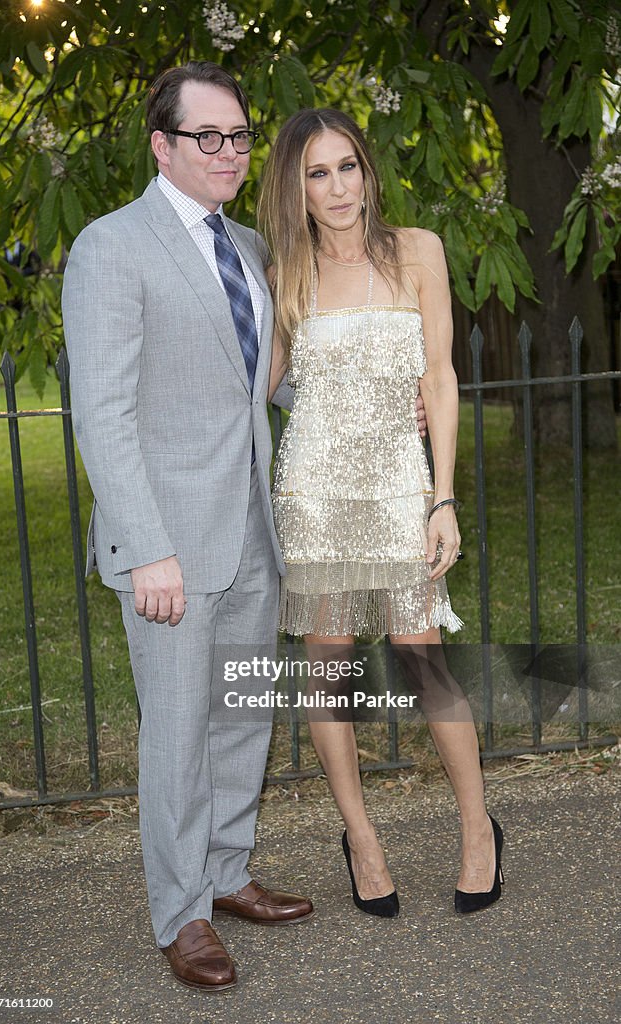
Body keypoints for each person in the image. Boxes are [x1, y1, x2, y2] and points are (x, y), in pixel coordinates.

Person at [61, 62, 314, 994]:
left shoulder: (246, 242)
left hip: (252, 528)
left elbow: (263, 377)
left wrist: (360, 399)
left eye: (241, 135)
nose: (231, 152)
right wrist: (146, 546)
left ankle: (228, 870)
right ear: (162, 145)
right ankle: (183, 914)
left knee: (242, 709)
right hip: (169, 543)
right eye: (209, 136)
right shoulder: (110, 247)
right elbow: (105, 413)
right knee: (175, 729)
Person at [258, 108, 504, 918]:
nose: (337, 188)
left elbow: (440, 377)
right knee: (328, 671)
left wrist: (443, 497)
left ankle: (477, 831)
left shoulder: (420, 251)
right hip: (315, 492)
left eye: (347, 167)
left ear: (368, 170)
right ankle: (360, 838)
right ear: (295, 189)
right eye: (316, 174)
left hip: (402, 486)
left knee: (421, 659)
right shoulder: (283, 274)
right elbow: (261, 386)